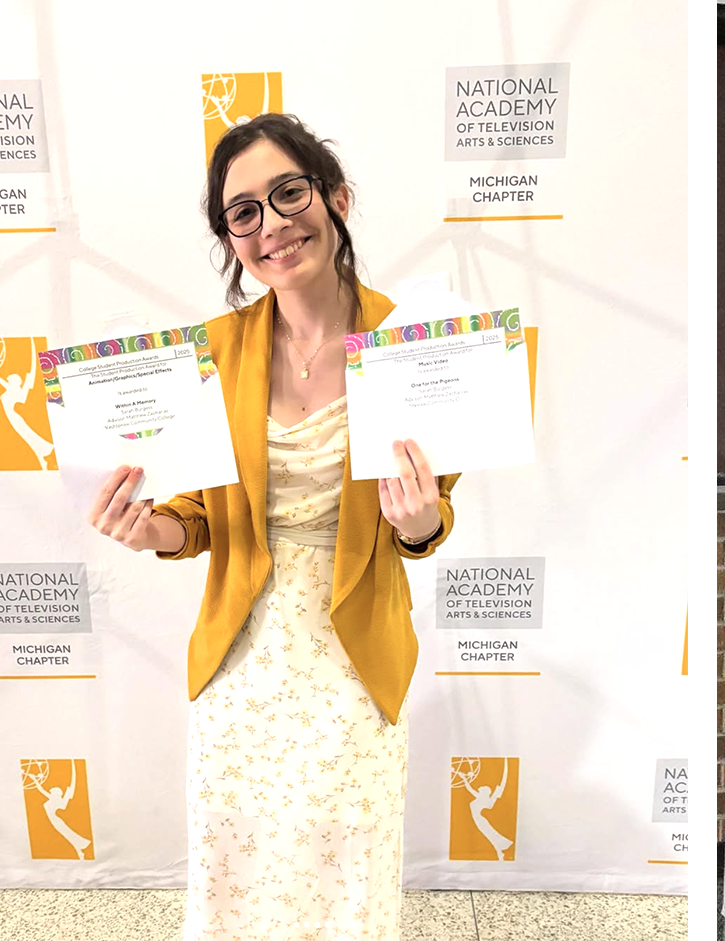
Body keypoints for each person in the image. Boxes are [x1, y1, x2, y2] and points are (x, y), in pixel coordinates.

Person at [85, 113, 457, 941]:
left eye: (289, 193)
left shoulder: (412, 342)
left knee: (347, 868)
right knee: (237, 869)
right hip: (240, 659)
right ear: (230, 239)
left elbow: (428, 514)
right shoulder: (210, 351)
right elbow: (196, 517)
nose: (272, 226)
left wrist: (422, 521)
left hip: (354, 649)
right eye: (242, 212)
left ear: (336, 198)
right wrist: (153, 533)